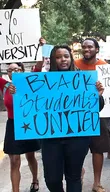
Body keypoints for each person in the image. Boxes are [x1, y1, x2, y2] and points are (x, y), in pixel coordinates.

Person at [9, 45, 104, 192]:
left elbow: (96, 108)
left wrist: (97, 95)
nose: (63, 60)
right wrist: (17, 91)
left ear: (71, 58)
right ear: (53, 60)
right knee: (52, 179)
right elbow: (28, 102)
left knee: (73, 177)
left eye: (66, 56)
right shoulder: (42, 81)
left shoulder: (84, 79)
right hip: (51, 139)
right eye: (58, 57)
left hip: (77, 137)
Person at [75, 38, 110, 192]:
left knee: (98, 149)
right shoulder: (74, 65)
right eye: (84, 47)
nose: (86, 49)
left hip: (100, 113)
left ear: (97, 49)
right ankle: (79, 172)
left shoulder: (105, 67)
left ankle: (96, 183)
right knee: (77, 147)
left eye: (90, 47)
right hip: (78, 112)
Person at [2, 62, 40, 192]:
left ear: (23, 70)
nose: (13, 72)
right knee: (14, 160)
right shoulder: (5, 86)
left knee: (30, 156)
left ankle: (35, 180)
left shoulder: (30, 83)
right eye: (10, 70)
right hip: (12, 125)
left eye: (17, 69)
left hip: (27, 124)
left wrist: (41, 47)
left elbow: (38, 68)